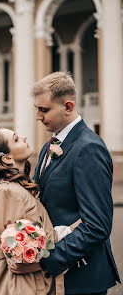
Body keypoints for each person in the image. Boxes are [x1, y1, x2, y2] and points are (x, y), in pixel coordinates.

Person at [8, 72, 120, 295]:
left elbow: (96, 226)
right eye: (36, 109)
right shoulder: (48, 146)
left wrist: (44, 261)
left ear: (68, 106)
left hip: (82, 279)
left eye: (44, 109)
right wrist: (9, 239)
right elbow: (37, 203)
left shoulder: (89, 148)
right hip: (55, 281)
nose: (38, 116)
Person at [0, 124, 81, 295]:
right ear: (6, 158)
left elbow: (40, 235)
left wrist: (72, 228)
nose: (24, 138)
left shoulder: (18, 187)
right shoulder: (7, 192)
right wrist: (76, 227)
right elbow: (22, 253)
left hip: (35, 282)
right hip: (25, 285)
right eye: (16, 139)